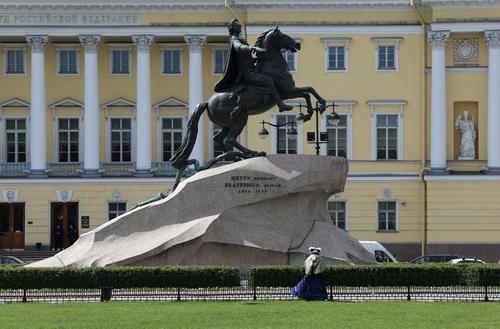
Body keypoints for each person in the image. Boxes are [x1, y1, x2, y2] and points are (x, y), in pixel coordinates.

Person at [214, 19, 293, 118]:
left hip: (251, 68)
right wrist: (253, 48)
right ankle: (280, 104)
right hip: (246, 73)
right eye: (238, 26)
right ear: (233, 29)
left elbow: (246, 57)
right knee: (268, 80)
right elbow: (239, 47)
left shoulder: (241, 39)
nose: (240, 27)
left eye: (240, 26)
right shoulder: (234, 39)